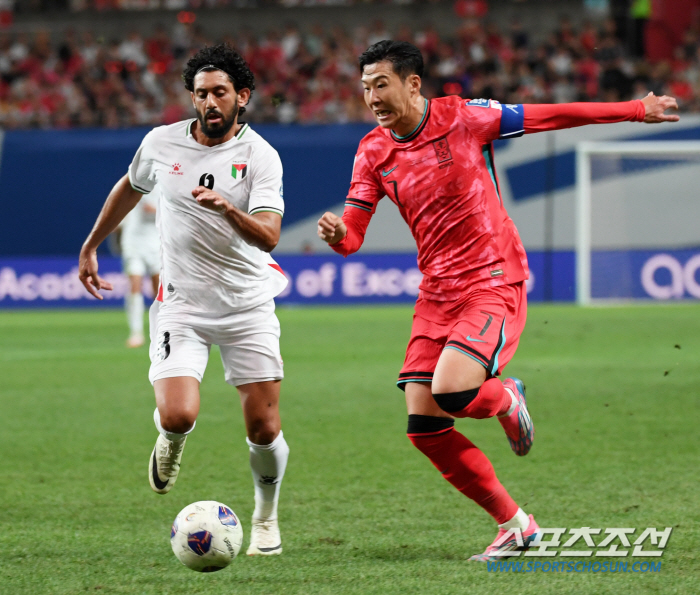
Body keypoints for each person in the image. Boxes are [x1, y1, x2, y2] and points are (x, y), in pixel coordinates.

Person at [317, 40, 678, 561]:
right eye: (365, 85)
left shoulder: (465, 118)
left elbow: (551, 116)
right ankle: (518, 526)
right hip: (437, 293)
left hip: (492, 279)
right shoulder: (373, 151)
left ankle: (507, 397)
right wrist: (337, 235)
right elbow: (352, 237)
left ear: (412, 83)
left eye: (381, 83)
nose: (371, 95)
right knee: (424, 426)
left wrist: (635, 109)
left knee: (452, 391)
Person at [78, 43, 290, 556]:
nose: (210, 102)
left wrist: (226, 208)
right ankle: (169, 443)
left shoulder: (260, 156)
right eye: (201, 94)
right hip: (182, 305)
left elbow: (269, 235)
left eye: (220, 92)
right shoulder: (161, 143)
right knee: (178, 416)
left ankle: (265, 517)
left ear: (242, 96)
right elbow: (130, 186)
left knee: (263, 427)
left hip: (247, 305)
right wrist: (91, 244)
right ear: (191, 98)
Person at [119, 189, 160, 348]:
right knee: (135, 286)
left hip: (156, 242)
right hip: (133, 243)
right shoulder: (136, 184)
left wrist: (157, 210)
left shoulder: (165, 185)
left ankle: (160, 331)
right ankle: (136, 333)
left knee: (159, 291)